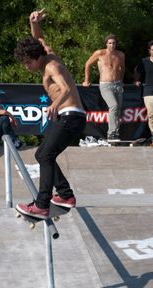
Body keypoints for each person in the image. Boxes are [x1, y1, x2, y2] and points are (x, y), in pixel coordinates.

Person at [14, 9, 86, 219]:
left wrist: (54, 104)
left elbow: (65, 89)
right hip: (66, 117)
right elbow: (39, 39)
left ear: (37, 58)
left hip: (71, 116)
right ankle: (65, 195)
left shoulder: (52, 65)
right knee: (41, 154)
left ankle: (41, 205)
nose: (27, 67)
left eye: (28, 63)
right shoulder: (45, 53)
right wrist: (33, 22)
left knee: (46, 154)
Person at [82, 34, 125, 141]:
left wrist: (121, 80)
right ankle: (111, 133)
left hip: (118, 85)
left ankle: (115, 134)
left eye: (114, 43)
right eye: (110, 43)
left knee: (118, 110)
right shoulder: (100, 53)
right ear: (106, 44)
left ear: (116, 44)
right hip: (106, 85)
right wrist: (87, 80)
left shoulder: (120, 54)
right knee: (113, 106)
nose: (112, 45)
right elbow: (87, 64)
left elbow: (122, 68)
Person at [134, 40, 153, 147]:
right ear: (149, 51)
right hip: (148, 92)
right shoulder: (144, 61)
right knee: (151, 115)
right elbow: (136, 70)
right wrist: (136, 80)